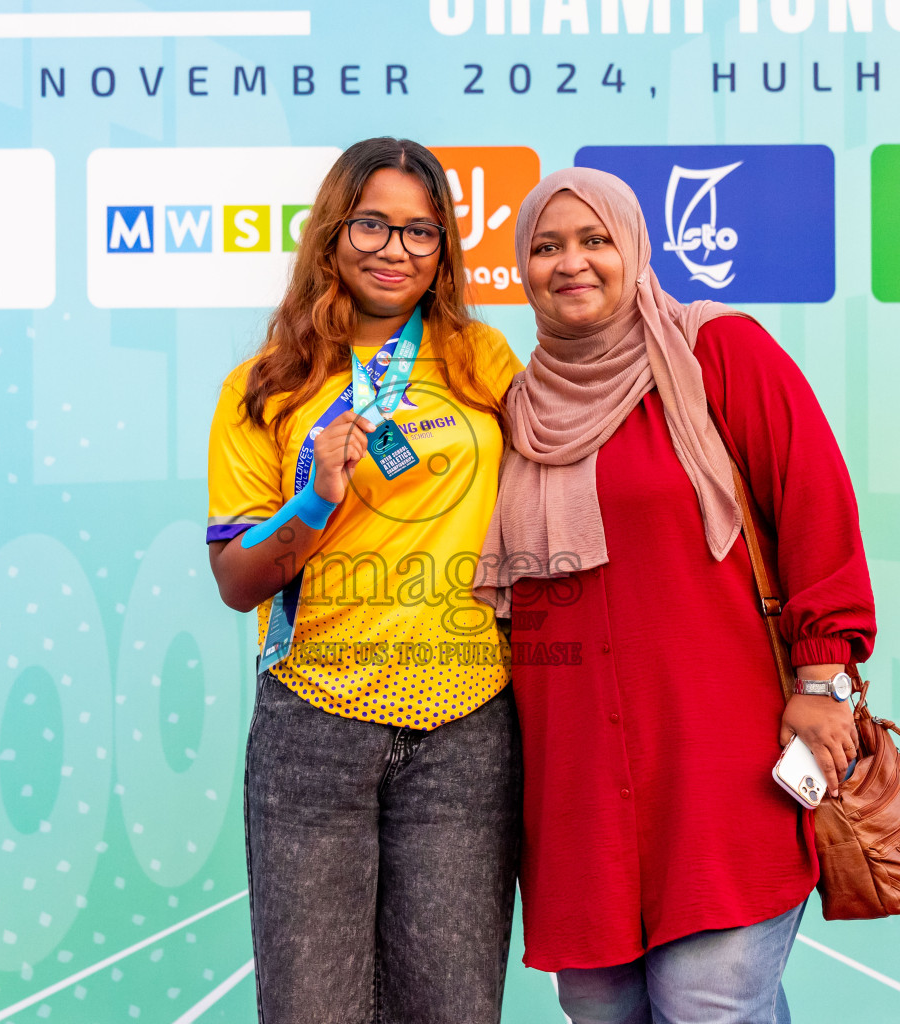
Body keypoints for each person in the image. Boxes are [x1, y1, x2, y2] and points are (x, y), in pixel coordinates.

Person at [474, 167, 877, 1023]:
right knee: (601, 1012)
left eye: (595, 240)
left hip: (720, 770)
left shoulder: (715, 350)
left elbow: (815, 507)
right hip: (575, 786)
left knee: (708, 1007)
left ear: (635, 248)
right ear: (522, 270)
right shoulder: (516, 409)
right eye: (546, 247)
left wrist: (822, 679)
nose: (571, 263)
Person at [205, 138, 523, 1024]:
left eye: (421, 232)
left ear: (444, 250)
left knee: (455, 1009)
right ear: (332, 234)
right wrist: (313, 501)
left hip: (467, 726)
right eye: (374, 224)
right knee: (313, 1011)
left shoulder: (483, 360)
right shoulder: (265, 386)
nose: (396, 250)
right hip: (313, 724)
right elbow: (236, 581)